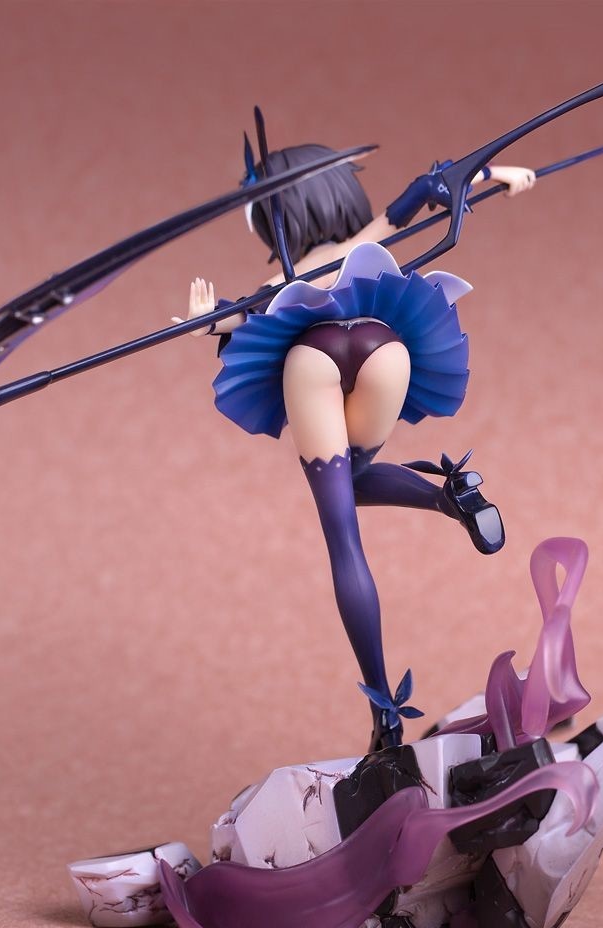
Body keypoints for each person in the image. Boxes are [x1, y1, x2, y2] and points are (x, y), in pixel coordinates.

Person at [173, 144, 536, 751]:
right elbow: (434, 183)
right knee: (357, 476)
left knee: (343, 533)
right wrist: (497, 173)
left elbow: (239, 317)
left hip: (314, 357)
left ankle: (385, 711)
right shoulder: (372, 238)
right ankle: (452, 497)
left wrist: (204, 318)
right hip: (385, 348)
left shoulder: (283, 280)